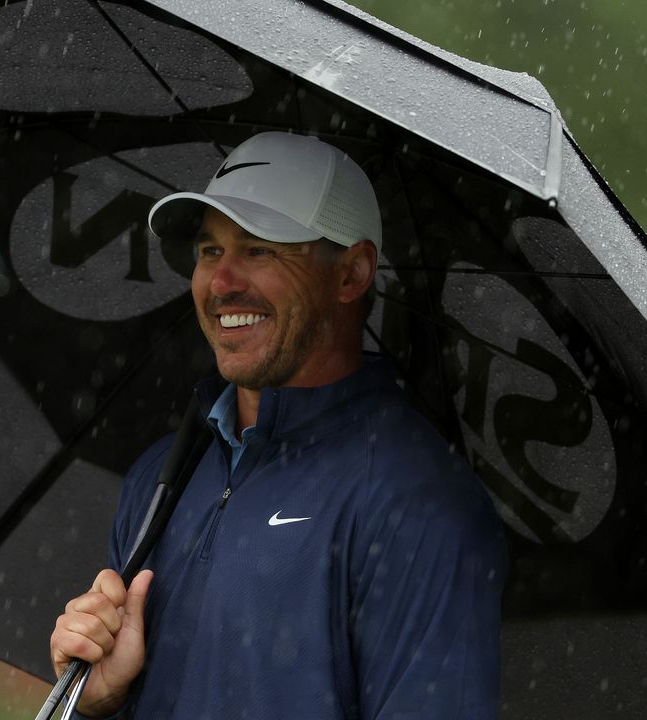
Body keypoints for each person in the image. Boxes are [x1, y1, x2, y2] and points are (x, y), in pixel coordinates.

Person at [49, 132, 507, 719]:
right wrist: (95, 703)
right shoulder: (159, 477)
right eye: (210, 250)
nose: (221, 283)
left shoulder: (418, 504)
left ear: (351, 273)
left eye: (260, 250)